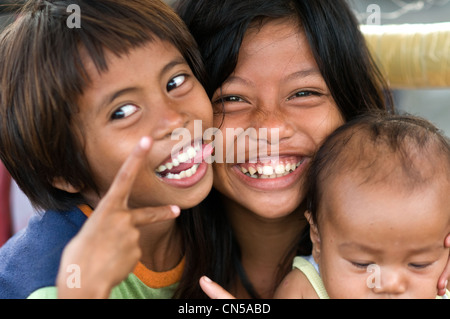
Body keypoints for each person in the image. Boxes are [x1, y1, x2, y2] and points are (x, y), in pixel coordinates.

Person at [176, 0, 450, 298]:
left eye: (304, 93)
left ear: (349, 104)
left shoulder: (434, 263)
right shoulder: (142, 255)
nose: (271, 128)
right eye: (231, 98)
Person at [0, 0, 214, 299]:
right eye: (123, 112)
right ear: (61, 170)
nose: (174, 120)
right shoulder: (51, 284)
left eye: (175, 81)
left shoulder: (209, 214)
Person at [273, 113, 450, 299]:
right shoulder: (304, 290)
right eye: (362, 264)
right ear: (317, 239)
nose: (390, 284)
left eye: (419, 264)